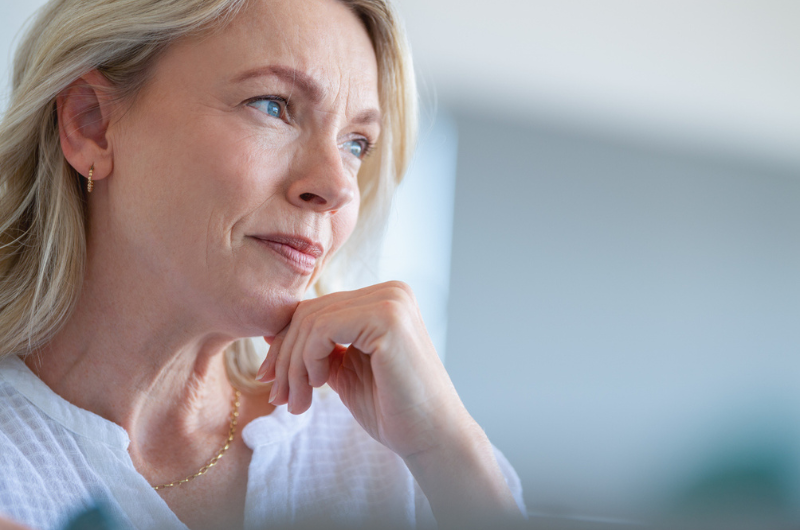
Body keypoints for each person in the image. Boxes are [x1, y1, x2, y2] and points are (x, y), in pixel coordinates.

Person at [0, 0, 525, 528]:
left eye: (356, 144)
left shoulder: (398, 459)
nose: (338, 187)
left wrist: (448, 449)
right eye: (272, 106)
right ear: (90, 122)